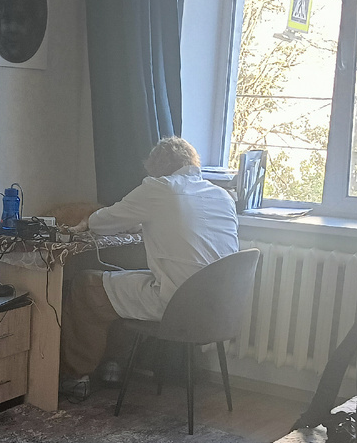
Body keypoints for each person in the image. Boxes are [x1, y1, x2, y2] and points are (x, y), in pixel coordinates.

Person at [59, 137, 239, 394]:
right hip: (219, 310)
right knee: (123, 281)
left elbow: (101, 223)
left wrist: (90, 219)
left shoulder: (160, 188)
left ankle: (76, 377)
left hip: (177, 305)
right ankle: (114, 365)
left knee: (87, 285)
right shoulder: (222, 196)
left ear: (157, 168)